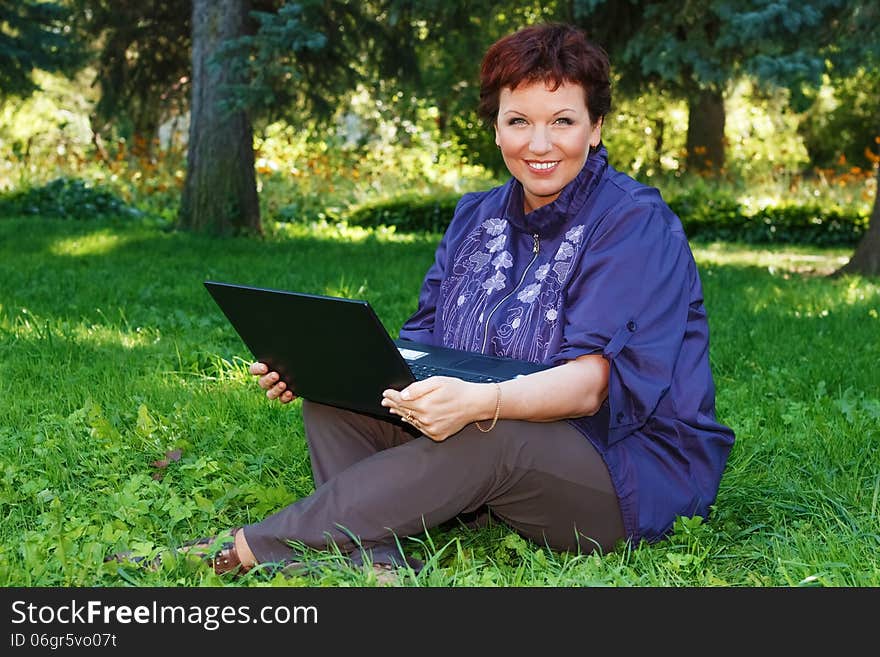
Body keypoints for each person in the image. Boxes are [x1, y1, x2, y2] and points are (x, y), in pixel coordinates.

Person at [115, 22, 735, 580]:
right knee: (337, 404)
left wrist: (483, 401)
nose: (539, 142)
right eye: (519, 120)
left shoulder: (632, 223)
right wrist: (318, 369)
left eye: (563, 121)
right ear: (496, 126)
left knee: (492, 433)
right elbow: (420, 350)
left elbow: (590, 388)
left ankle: (244, 549)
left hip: (623, 470)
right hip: (499, 462)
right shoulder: (475, 217)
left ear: (596, 128)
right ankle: (378, 559)